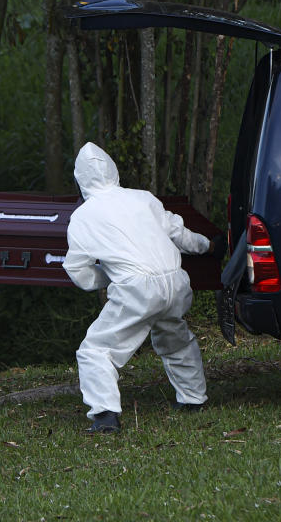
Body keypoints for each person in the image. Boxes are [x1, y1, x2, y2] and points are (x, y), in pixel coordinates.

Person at [63, 142, 223, 434]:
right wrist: (209, 245)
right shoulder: (142, 198)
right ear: (114, 171)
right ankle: (193, 399)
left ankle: (105, 416)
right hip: (175, 282)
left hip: (137, 289)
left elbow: (77, 270)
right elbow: (178, 232)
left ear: (80, 179)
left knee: (96, 350)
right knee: (175, 338)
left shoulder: (83, 217)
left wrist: (105, 278)